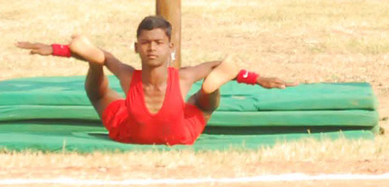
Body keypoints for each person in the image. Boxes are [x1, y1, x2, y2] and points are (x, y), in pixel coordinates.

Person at [16, 20, 294, 146]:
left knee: (98, 92)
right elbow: (215, 65)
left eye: (158, 43)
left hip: (131, 131)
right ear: (137, 46)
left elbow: (107, 57)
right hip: (178, 134)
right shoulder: (184, 76)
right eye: (146, 43)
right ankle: (212, 88)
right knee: (203, 103)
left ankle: (92, 63)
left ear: (170, 46)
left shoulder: (127, 75)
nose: (152, 48)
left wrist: (59, 49)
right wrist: (253, 78)